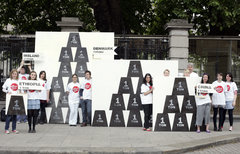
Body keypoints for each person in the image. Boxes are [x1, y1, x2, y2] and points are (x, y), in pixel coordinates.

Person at [2, 69, 20, 134]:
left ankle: (14, 129)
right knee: (9, 115)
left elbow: (21, 88)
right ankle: (6, 129)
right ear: (11, 74)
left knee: (15, 115)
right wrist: (7, 91)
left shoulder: (18, 81)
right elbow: (3, 88)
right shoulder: (8, 80)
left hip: (17, 99)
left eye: (15, 74)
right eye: (13, 74)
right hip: (10, 99)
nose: (14, 75)